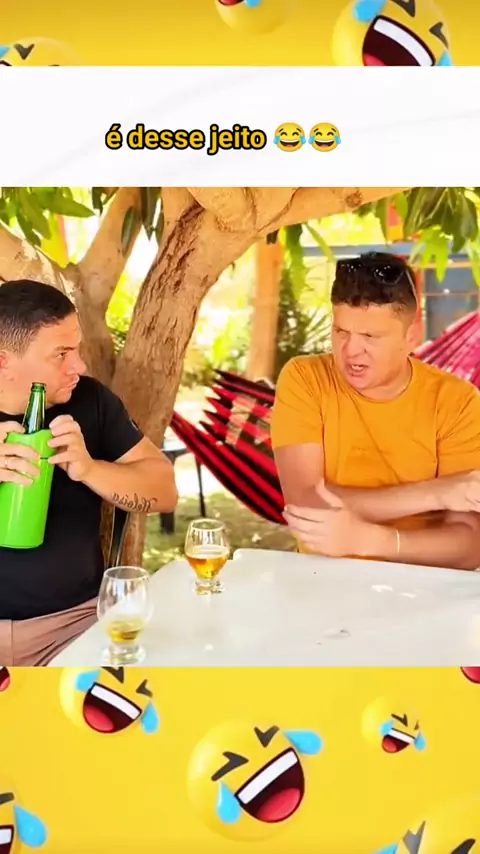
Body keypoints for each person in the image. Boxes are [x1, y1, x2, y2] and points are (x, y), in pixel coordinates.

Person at [0, 279, 178, 665]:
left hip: (72, 628)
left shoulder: (90, 401)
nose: (78, 366)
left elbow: (164, 491)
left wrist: (89, 469)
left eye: (76, 349)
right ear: (3, 361)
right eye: (60, 354)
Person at [270, 251, 480, 571]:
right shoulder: (305, 378)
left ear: (411, 336)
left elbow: (470, 547)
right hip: (322, 578)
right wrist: (436, 494)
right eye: (341, 332)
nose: (351, 350)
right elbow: (306, 505)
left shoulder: (458, 402)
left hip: (425, 585)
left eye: (370, 336)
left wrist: (371, 541)